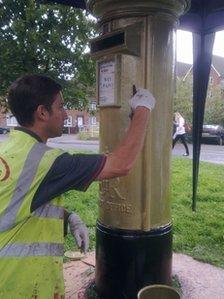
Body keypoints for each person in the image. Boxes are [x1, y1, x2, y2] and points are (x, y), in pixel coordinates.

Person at [0, 74, 156, 298]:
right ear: (42, 112)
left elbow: (17, 204)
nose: (65, 114)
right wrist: (143, 107)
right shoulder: (46, 162)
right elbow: (121, 164)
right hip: (21, 286)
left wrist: (69, 217)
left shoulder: (10, 152)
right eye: (61, 107)